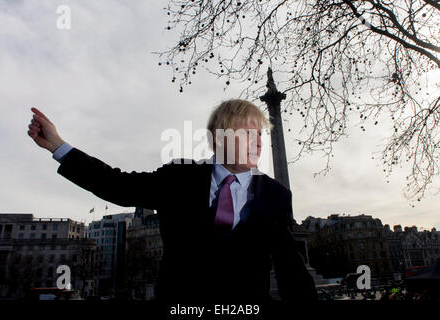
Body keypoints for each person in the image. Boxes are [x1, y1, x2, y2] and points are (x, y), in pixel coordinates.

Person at [27, 99, 317, 303]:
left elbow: (290, 268)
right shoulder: (178, 178)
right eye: (247, 133)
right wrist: (58, 146)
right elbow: (117, 184)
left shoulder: (277, 195)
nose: (258, 142)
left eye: (260, 134)